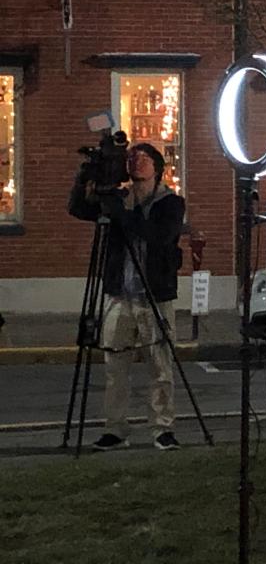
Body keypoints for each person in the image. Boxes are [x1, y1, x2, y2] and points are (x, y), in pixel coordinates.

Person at [69, 142, 185, 451]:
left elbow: (157, 236)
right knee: (114, 367)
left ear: (157, 168)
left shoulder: (171, 204)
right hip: (119, 294)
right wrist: (84, 178)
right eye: (132, 157)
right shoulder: (119, 199)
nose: (136, 162)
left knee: (160, 367)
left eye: (144, 158)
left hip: (154, 296)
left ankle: (162, 428)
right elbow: (78, 209)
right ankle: (115, 429)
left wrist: (122, 214)